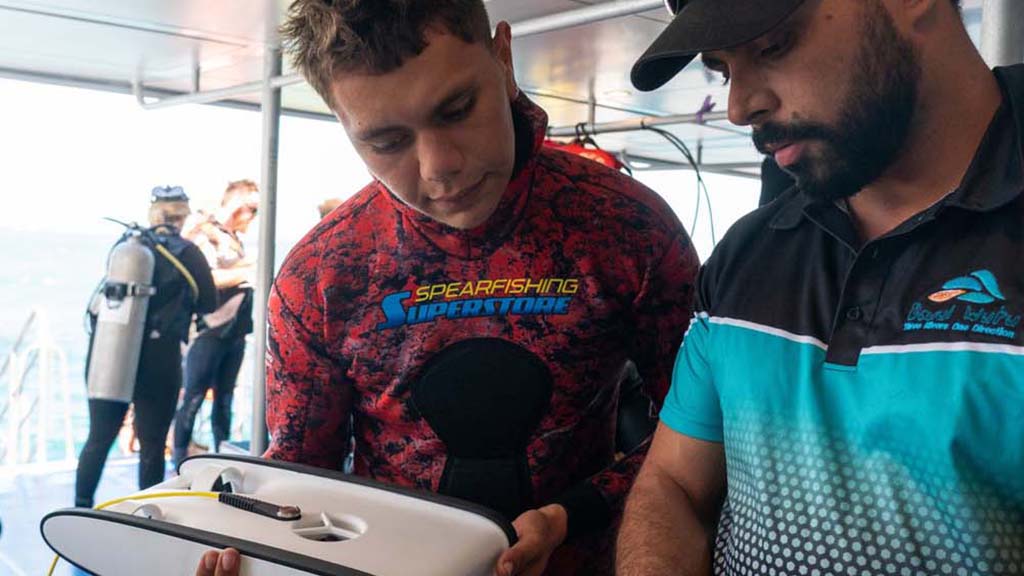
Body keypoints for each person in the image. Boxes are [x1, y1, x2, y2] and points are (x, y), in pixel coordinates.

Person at [195, 1, 699, 575]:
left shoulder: (626, 227)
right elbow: (301, 474)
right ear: (342, 122)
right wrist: (253, 552)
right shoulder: (322, 274)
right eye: (387, 141)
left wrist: (571, 514)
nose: (439, 167)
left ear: (503, 59)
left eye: (458, 109)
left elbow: (700, 438)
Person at [618, 0, 1024, 574]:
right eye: (723, 69)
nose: (739, 107)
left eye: (772, 45)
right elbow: (676, 483)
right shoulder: (746, 255)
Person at [76, 186, 216, 508]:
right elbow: (208, 301)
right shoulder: (188, 252)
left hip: (111, 352)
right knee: (152, 444)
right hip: (159, 358)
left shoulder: (126, 247)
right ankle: (145, 518)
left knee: (98, 438)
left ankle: (81, 507)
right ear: (183, 216)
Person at [173, 180, 259, 465]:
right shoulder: (207, 235)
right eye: (252, 209)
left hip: (234, 332)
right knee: (193, 398)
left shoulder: (234, 239)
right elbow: (206, 279)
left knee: (225, 401)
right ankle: (179, 460)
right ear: (238, 208)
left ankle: (224, 459)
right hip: (209, 331)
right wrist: (249, 271)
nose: (255, 217)